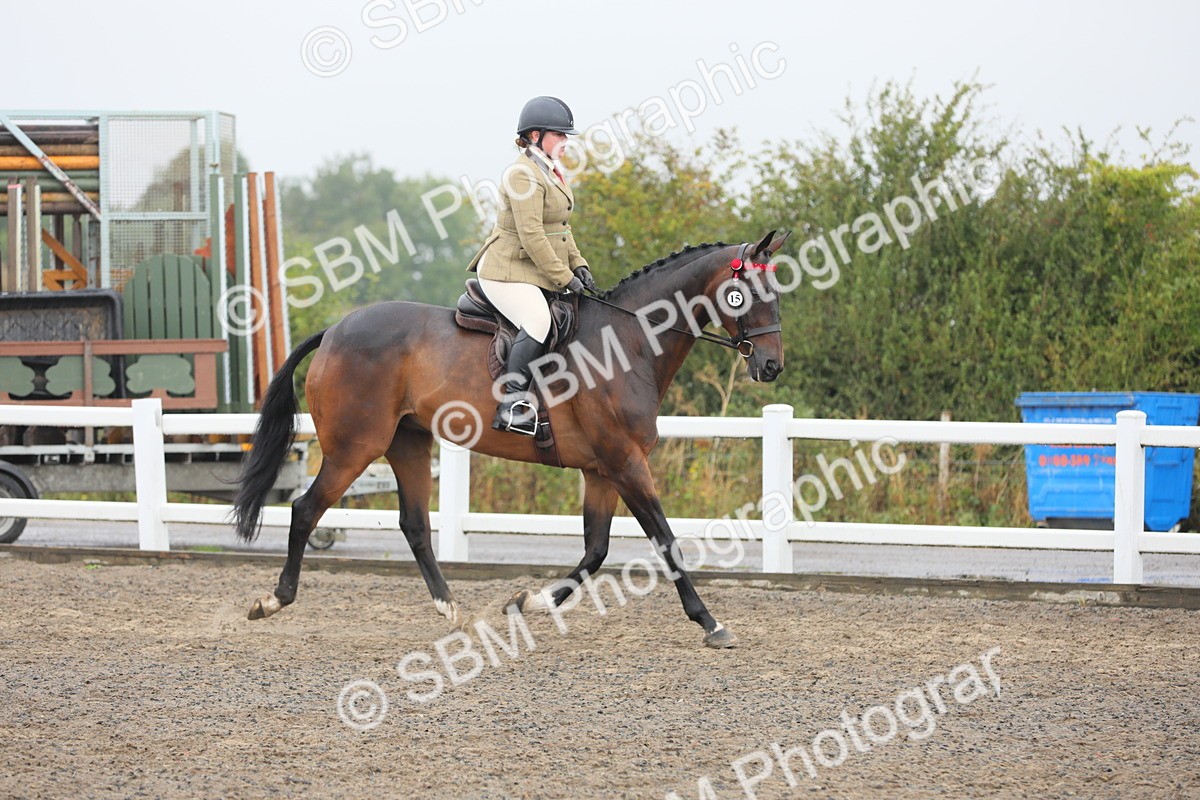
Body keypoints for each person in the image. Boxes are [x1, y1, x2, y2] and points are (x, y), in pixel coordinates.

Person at [467, 96, 597, 436]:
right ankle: (513, 405)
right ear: (536, 135)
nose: (567, 142)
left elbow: (560, 229)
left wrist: (579, 265)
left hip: (531, 268)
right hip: (505, 270)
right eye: (560, 135)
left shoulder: (550, 171)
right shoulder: (522, 175)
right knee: (538, 320)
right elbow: (532, 236)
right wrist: (564, 277)